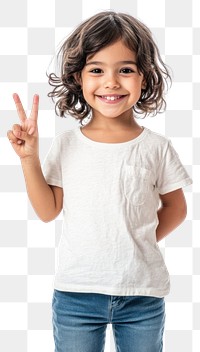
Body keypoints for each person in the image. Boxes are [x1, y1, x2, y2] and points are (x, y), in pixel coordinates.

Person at [7, 11, 192, 352]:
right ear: (78, 78)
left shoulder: (156, 147)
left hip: (142, 295)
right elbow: (48, 211)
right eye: (97, 70)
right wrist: (29, 158)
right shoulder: (66, 144)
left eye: (125, 69)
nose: (111, 82)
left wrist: (135, 239)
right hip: (76, 295)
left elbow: (177, 208)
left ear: (144, 78)